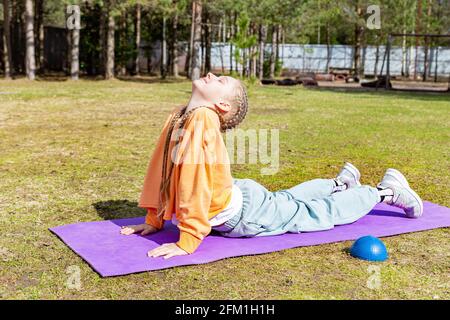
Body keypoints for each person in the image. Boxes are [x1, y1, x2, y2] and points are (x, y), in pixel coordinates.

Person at [120, 73, 423, 259]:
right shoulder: (182, 114)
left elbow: (193, 182)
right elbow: (164, 171)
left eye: (221, 80)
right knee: (289, 201)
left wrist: (187, 240)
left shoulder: (201, 118)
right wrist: (155, 218)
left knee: (315, 213)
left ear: (222, 106)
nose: (211, 74)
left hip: (244, 213)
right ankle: (339, 184)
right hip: (240, 197)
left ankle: (384, 192)